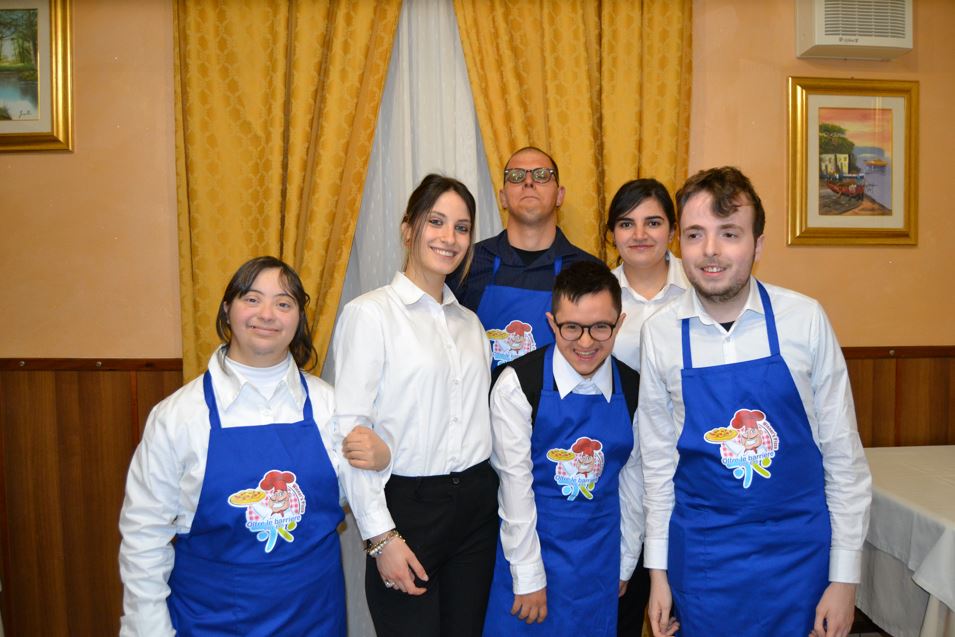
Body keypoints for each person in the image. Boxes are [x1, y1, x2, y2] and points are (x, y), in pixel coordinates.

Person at [637, 167, 871, 637]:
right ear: (680, 244)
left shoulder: (804, 320)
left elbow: (843, 458)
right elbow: (658, 466)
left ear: (758, 245)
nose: (711, 250)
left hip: (800, 559)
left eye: (729, 233)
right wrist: (658, 573)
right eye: (695, 234)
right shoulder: (660, 334)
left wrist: (845, 578)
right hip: (703, 562)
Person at [118, 256, 390, 637]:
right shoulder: (178, 417)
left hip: (316, 618)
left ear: (298, 319)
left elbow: (358, 493)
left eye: (283, 303)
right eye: (252, 299)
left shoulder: (332, 407)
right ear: (227, 309)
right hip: (212, 622)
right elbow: (144, 538)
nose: (267, 314)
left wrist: (382, 458)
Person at [332, 174, 499, 637]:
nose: (450, 238)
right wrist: (380, 537)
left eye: (462, 228)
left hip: (476, 508)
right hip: (409, 509)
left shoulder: (470, 324)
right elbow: (351, 434)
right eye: (436, 222)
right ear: (409, 229)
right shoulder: (370, 314)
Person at [482, 261, 644, 637]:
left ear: (619, 323)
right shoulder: (517, 385)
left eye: (600, 327)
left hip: (600, 564)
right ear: (552, 324)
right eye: (571, 327)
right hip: (529, 552)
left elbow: (634, 484)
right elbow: (514, 488)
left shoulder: (635, 389)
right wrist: (528, 576)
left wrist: (624, 563)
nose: (585, 343)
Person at [449, 146, 600, 368]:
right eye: (516, 176)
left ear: (559, 195)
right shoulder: (466, 263)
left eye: (542, 175)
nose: (528, 182)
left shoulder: (590, 272)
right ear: (502, 197)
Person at [607, 178, 689, 372]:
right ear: (613, 235)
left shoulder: (698, 284)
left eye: (652, 223)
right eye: (626, 224)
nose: (639, 235)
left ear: (672, 232)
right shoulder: (597, 293)